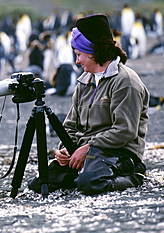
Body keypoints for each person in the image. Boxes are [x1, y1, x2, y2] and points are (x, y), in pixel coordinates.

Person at [28, 14, 149, 195]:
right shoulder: (84, 81)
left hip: (120, 153)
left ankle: (135, 177)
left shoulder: (125, 81)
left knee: (90, 182)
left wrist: (88, 148)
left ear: (93, 52)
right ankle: (84, 172)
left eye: (79, 54)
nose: (77, 61)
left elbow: (125, 131)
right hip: (86, 153)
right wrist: (65, 150)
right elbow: (69, 125)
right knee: (40, 183)